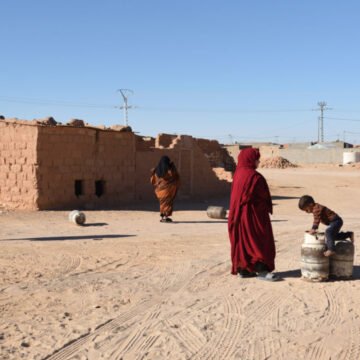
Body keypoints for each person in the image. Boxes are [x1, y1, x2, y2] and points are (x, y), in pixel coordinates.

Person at [228, 148, 279, 281]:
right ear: (251, 160)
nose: (258, 161)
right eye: (257, 159)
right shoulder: (254, 177)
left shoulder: (237, 174)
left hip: (238, 217)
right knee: (259, 242)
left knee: (243, 242)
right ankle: (261, 270)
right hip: (253, 217)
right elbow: (263, 196)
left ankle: (244, 269)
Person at [150, 156, 180, 223]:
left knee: (163, 204)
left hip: (159, 191)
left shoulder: (156, 171)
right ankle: (165, 216)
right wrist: (173, 166)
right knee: (167, 204)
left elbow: (153, 181)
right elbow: (175, 176)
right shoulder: (169, 170)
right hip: (167, 191)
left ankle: (163, 216)